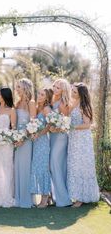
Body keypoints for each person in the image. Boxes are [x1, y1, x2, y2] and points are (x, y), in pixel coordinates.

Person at [67, 83, 99, 207]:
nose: (72, 93)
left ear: (81, 94)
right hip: (73, 140)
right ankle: (75, 195)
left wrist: (71, 127)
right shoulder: (72, 103)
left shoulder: (84, 106)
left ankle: (81, 198)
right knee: (74, 166)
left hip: (82, 140)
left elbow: (87, 124)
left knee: (82, 166)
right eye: (72, 91)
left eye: (74, 92)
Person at [0, 87, 16, 207]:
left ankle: (6, 197)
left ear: (5, 96)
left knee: (7, 169)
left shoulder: (11, 110)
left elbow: (14, 129)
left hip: (6, 144)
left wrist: (5, 138)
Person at [50, 78, 72, 207]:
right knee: (56, 165)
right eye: (54, 86)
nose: (55, 89)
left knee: (55, 163)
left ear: (63, 90)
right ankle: (56, 196)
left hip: (61, 137)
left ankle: (63, 198)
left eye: (58, 87)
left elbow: (65, 123)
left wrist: (55, 128)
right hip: (52, 137)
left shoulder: (63, 102)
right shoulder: (53, 100)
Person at [14, 78, 36, 208]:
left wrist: (23, 138)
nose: (16, 90)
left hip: (26, 141)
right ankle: (18, 197)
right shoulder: (17, 103)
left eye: (19, 87)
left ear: (25, 88)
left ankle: (26, 199)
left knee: (25, 168)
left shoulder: (31, 103)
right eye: (16, 87)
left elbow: (32, 124)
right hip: (16, 140)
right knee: (17, 167)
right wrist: (15, 137)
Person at [30, 88, 53, 208]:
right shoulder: (37, 107)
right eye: (39, 93)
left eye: (42, 94)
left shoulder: (46, 109)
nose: (39, 96)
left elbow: (50, 125)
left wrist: (39, 134)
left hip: (43, 142)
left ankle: (45, 198)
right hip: (35, 142)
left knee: (43, 169)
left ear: (47, 97)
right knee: (37, 168)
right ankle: (45, 197)